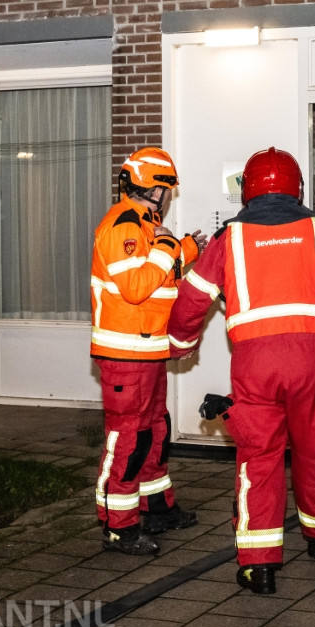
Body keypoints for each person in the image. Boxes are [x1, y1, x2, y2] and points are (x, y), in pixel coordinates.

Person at [167, 147, 315, 595]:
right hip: (313, 360)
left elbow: (192, 299)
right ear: (298, 188)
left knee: (258, 458)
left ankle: (258, 564)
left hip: (255, 364)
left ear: (248, 190)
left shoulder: (228, 238)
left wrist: (181, 345)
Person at [90, 146, 208, 556]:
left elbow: (161, 279)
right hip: (125, 355)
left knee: (155, 431)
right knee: (129, 439)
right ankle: (118, 526)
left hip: (148, 351)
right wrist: (169, 246)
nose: (168, 196)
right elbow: (136, 288)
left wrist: (187, 248)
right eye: (167, 188)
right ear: (154, 190)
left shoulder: (145, 227)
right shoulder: (123, 225)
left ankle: (157, 508)